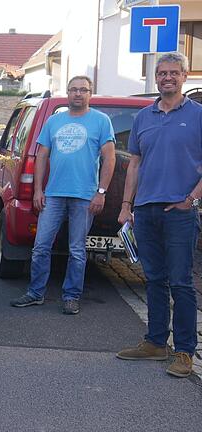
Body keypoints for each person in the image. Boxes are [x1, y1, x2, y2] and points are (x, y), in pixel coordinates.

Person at [116, 52, 201, 378]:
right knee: (153, 279)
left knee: (180, 283)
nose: (167, 77)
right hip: (146, 210)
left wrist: (191, 199)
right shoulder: (144, 116)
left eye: (173, 73)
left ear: (184, 75)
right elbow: (134, 163)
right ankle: (154, 342)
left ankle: (183, 352)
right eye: (162, 73)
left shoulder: (197, 115)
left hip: (179, 212)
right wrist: (126, 205)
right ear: (156, 77)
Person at [10, 75, 115, 315]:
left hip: (85, 195)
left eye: (83, 90)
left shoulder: (101, 121)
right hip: (54, 194)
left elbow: (109, 158)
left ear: (90, 93)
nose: (78, 94)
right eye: (73, 90)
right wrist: (38, 190)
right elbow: (41, 156)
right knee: (40, 246)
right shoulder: (54, 121)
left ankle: (71, 296)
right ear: (68, 93)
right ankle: (36, 293)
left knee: (77, 250)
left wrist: (101, 192)